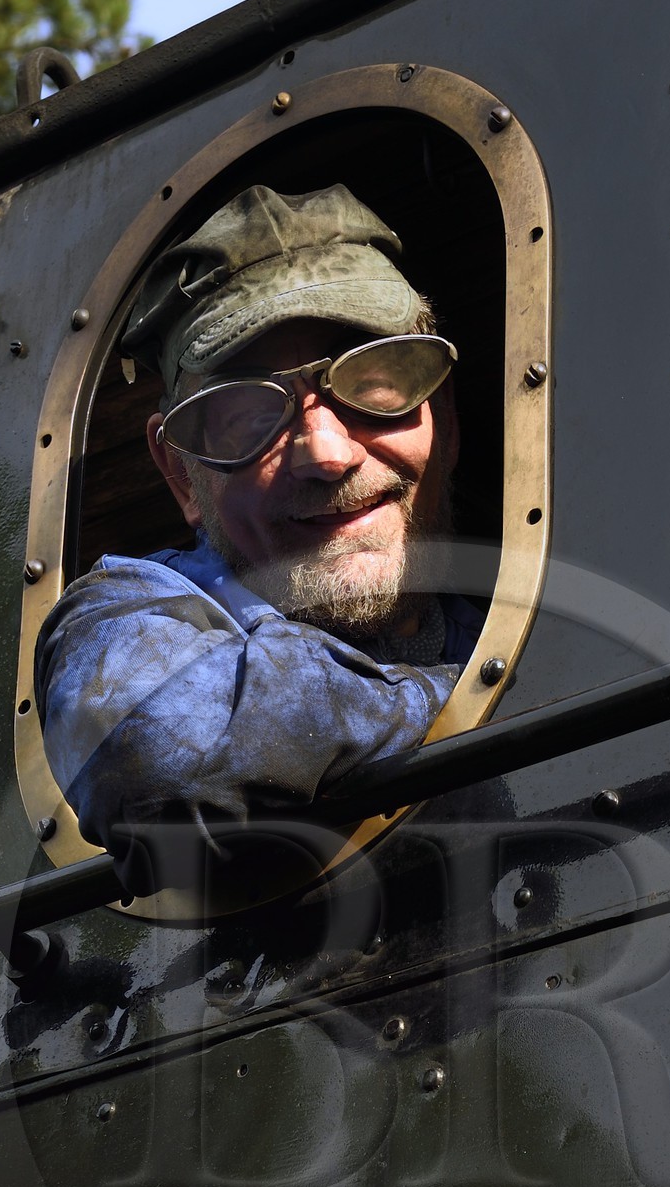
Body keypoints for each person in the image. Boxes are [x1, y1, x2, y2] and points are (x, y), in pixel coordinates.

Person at [34, 184, 482, 884]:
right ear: (182, 477)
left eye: (375, 384)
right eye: (245, 415)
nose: (326, 453)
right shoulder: (120, 616)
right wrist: (470, 693)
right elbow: (155, 753)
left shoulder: (509, 615)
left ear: (444, 421)